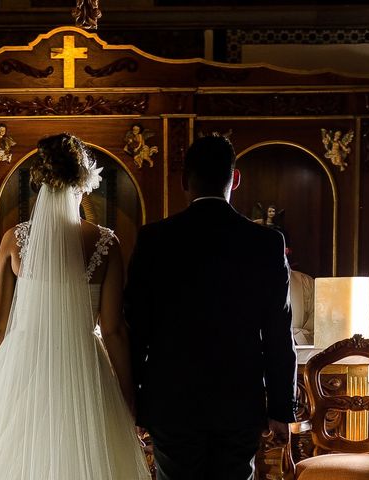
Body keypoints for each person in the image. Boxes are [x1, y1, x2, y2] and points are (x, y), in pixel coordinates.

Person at [0, 133, 150, 479]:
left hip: (22, 366)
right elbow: (113, 330)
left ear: (42, 183)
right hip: (83, 367)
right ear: (83, 185)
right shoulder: (105, 244)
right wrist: (127, 394)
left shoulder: (14, 240)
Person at [125, 134, 297, 480]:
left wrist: (136, 403)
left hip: (172, 402)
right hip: (239, 401)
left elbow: (135, 327)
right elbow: (278, 332)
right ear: (234, 179)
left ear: (185, 180)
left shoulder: (155, 239)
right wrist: (281, 407)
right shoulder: (265, 243)